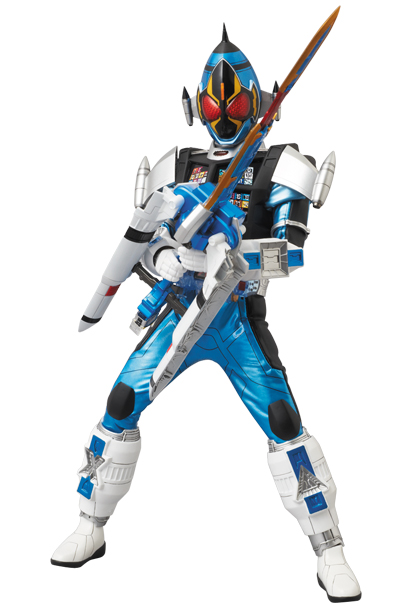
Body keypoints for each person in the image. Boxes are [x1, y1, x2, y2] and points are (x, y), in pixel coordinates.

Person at [51, 26, 361, 603]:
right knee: (120, 404)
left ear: (259, 104)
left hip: (236, 314)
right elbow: (145, 246)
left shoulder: (282, 165)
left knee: (284, 423)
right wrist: (171, 258)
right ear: (196, 107)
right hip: (178, 310)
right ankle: (90, 524)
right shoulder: (176, 166)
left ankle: (330, 548)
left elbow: (290, 253)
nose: (225, 117)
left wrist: (230, 256)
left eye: (236, 106)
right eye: (217, 108)